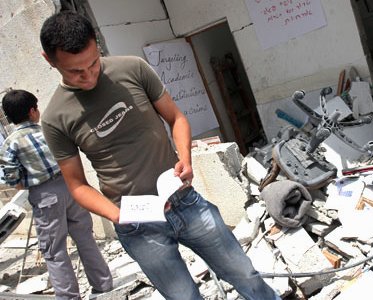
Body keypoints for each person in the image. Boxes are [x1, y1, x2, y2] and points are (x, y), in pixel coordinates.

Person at [39, 11, 280, 300]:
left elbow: (177, 118)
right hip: (136, 224)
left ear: (97, 45)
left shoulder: (132, 69)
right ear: (49, 60)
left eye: (93, 63)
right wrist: (117, 215)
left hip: (184, 200)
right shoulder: (55, 117)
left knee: (245, 274)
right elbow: (76, 184)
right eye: (75, 72)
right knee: (183, 297)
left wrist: (186, 160)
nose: (89, 76)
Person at [0, 89, 113, 299]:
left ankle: (69, 296)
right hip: (72, 186)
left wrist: (25, 181)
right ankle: (104, 286)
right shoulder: (48, 130)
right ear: (33, 111)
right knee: (85, 238)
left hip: (44, 197)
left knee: (54, 250)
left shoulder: (11, 143)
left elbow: (11, 177)